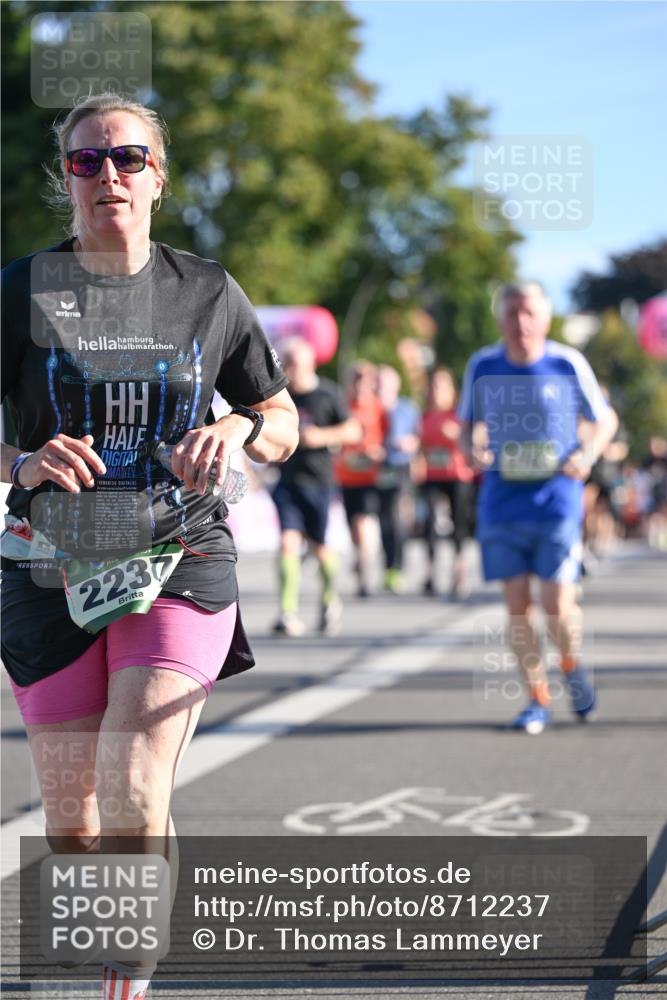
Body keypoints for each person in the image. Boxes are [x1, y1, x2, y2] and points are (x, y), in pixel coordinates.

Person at [1, 93, 298, 997]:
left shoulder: (206, 290)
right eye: (86, 161)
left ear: (157, 179)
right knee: (73, 826)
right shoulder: (21, 290)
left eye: (128, 158)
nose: (109, 175)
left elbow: (281, 417)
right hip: (47, 568)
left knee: (133, 769)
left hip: (178, 554)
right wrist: (23, 459)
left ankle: (130, 971)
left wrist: (239, 430)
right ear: (66, 180)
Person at [458, 281, 618, 734]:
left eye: (529, 312)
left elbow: (605, 419)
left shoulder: (567, 362)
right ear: (500, 318)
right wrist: (471, 449)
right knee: (518, 607)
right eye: (512, 312)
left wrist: (586, 454)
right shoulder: (483, 364)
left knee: (557, 605)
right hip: (501, 503)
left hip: (556, 502)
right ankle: (536, 698)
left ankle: (570, 663)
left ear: (546, 318)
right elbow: (466, 425)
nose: (521, 322)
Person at [270, 337, 360, 636]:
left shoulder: (327, 393)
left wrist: (320, 437)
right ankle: (287, 612)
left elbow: (352, 430)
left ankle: (330, 600)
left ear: (311, 363)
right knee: (287, 542)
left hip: (320, 482)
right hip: (287, 482)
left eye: (295, 363)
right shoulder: (280, 396)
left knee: (321, 548)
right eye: (285, 363)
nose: (290, 369)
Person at [418, 367, 475, 598]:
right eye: (433, 386)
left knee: (458, 524)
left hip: (457, 476)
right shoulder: (424, 417)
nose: (436, 391)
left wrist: (457, 435)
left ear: (451, 390)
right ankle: (430, 573)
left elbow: (474, 440)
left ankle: (458, 572)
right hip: (432, 476)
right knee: (429, 522)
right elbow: (421, 446)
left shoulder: (459, 415)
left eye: (441, 386)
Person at [334, 361, 387, 597]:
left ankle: (364, 572)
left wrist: (379, 451)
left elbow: (387, 436)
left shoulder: (377, 407)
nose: (360, 385)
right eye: (356, 380)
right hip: (346, 476)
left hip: (369, 476)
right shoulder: (343, 404)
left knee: (363, 523)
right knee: (353, 527)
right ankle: (360, 557)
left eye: (364, 380)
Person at [375, 364, 420, 594]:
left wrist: (410, 443)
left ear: (396, 385)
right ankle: (386, 566)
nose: (381, 387)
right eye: (378, 383)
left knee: (397, 518)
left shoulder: (407, 408)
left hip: (400, 467)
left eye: (385, 383)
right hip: (376, 467)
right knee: (382, 519)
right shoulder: (371, 408)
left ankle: (397, 566)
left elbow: (418, 437)